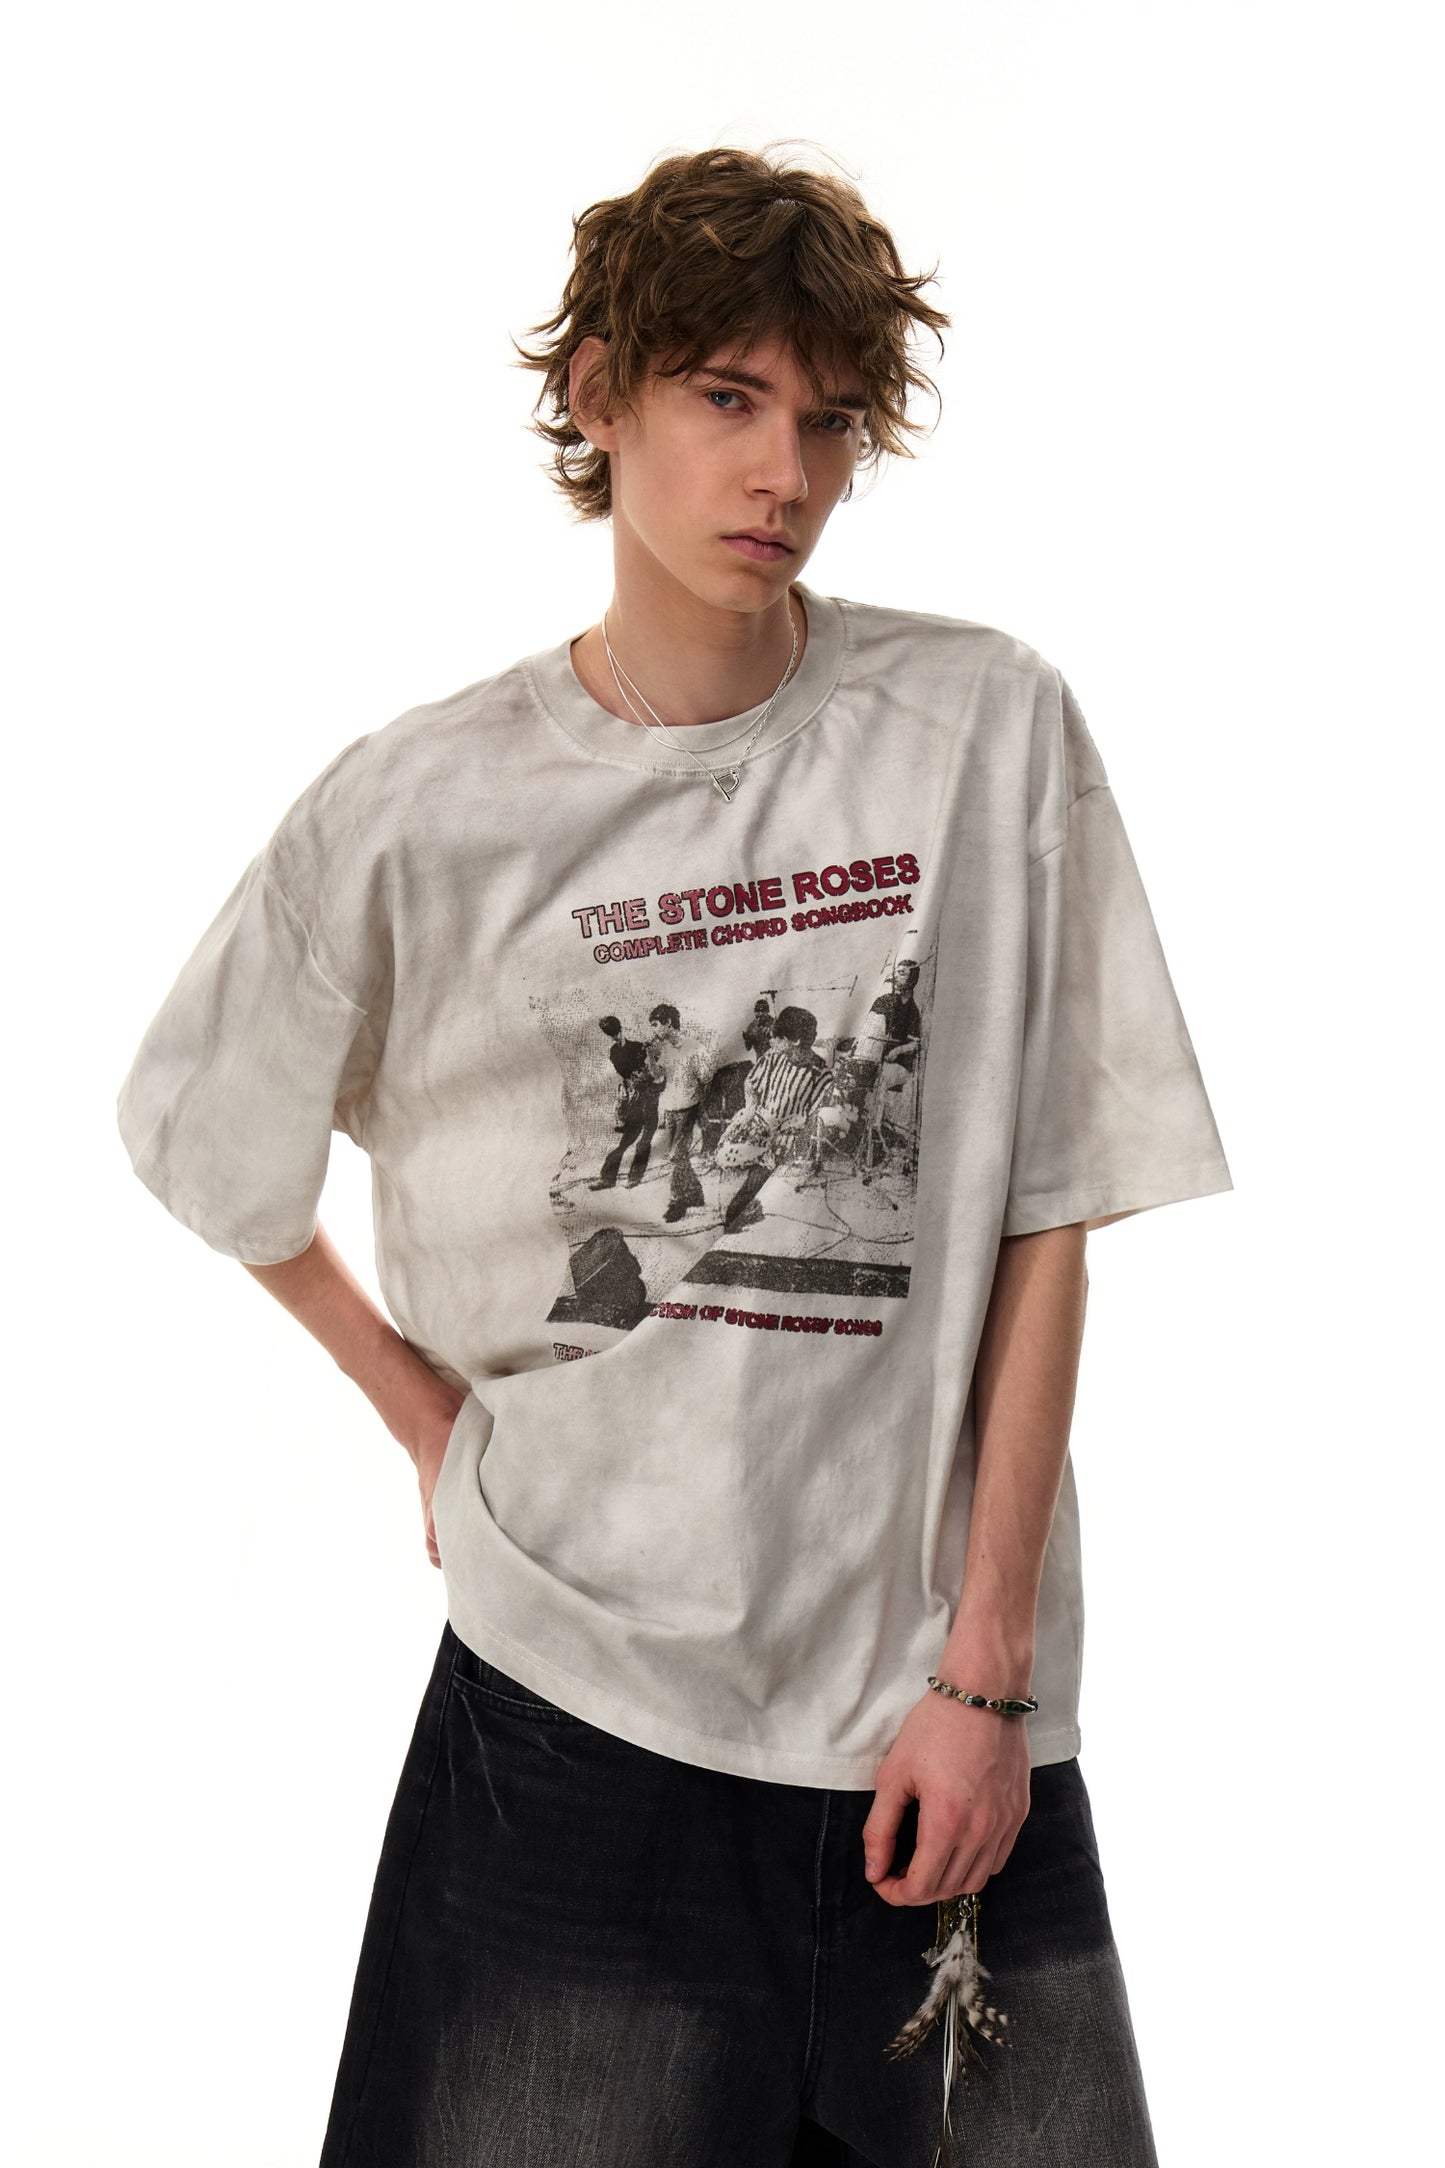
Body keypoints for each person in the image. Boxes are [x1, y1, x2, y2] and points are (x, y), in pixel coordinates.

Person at [115, 143, 1232, 2166]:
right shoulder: (420, 811)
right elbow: (207, 1136)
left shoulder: (983, 730)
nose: (782, 472)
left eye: (829, 419)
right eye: (727, 397)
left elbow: (1051, 1202)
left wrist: (990, 1672)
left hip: (934, 1723)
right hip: (575, 1711)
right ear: (598, 396)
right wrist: (425, 1422)